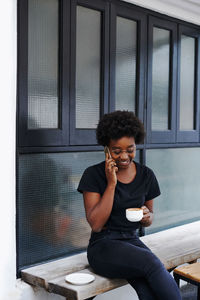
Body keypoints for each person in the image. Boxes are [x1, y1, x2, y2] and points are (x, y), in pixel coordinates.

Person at [78, 110, 182, 300]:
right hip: (103, 246)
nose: (124, 156)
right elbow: (96, 224)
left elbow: (149, 217)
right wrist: (111, 184)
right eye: (117, 151)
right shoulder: (93, 175)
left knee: (147, 289)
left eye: (130, 149)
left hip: (131, 242)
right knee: (152, 264)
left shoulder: (146, 175)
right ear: (106, 149)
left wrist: (147, 216)